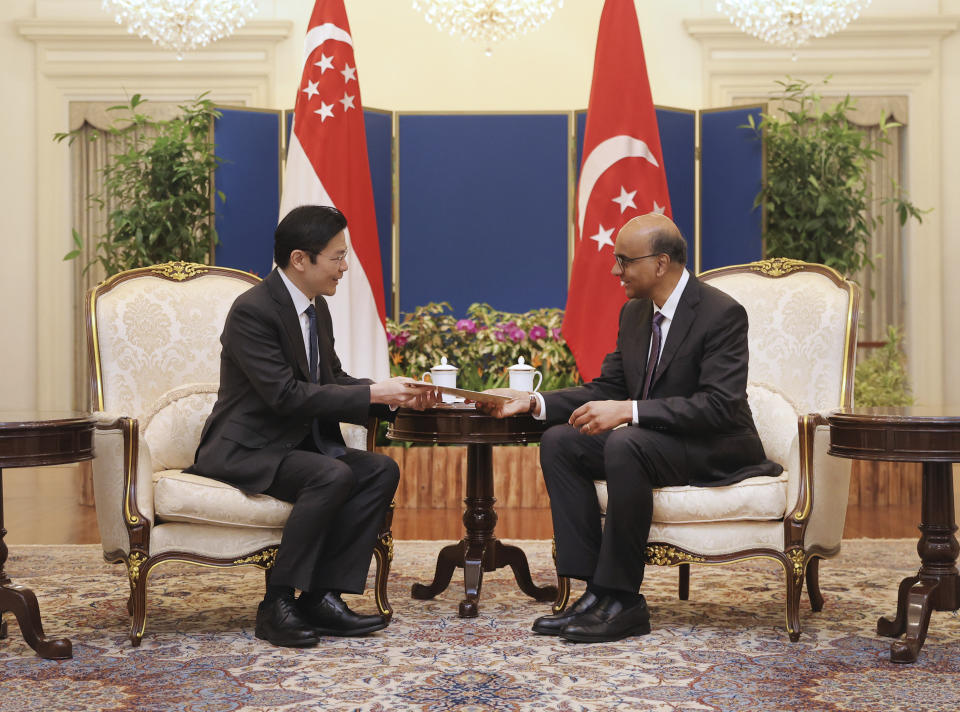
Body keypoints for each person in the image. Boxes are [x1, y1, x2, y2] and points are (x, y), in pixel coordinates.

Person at [478, 212, 782, 643]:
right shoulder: (635, 314)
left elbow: (717, 406)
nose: (614, 270)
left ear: (660, 263)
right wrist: (534, 401)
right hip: (656, 443)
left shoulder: (721, 313)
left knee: (625, 443)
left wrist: (630, 411)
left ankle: (623, 599)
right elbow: (608, 387)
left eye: (624, 260)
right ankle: (590, 590)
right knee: (561, 441)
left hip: (715, 445)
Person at [190, 205, 437, 648]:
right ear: (300, 259)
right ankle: (277, 603)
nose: (345, 268)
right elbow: (284, 395)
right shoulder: (253, 311)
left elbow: (332, 382)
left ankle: (323, 597)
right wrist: (374, 394)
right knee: (332, 472)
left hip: (295, 446)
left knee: (380, 470)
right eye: (337, 257)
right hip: (247, 448)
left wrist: (392, 395)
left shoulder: (315, 309)